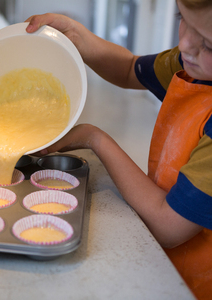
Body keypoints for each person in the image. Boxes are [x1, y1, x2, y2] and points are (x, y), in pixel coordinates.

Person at [25, 0, 212, 299]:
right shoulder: (193, 66)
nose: (185, 44)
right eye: (183, 19)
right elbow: (128, 69)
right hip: (164, 265)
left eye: (208, 44)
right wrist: (77, 35)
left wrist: (94, 138)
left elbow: (169, 224)